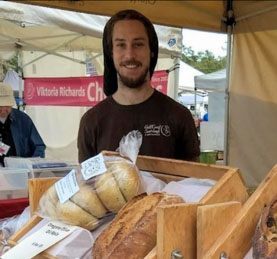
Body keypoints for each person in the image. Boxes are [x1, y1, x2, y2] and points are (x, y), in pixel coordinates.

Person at [77, 10, 199, 162]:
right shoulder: (91, 122)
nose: (130, 55)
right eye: (121, 45)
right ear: (111, 53)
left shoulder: (179, 117)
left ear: (151, 51)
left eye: (138, 44)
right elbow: (86, 184)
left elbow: (192, 183)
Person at [0, 82, 45, 165]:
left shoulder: (24, 120)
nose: (3, 110)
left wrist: (32, 164)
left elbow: (39, 146)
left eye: (7, 106)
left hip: (21, 171)